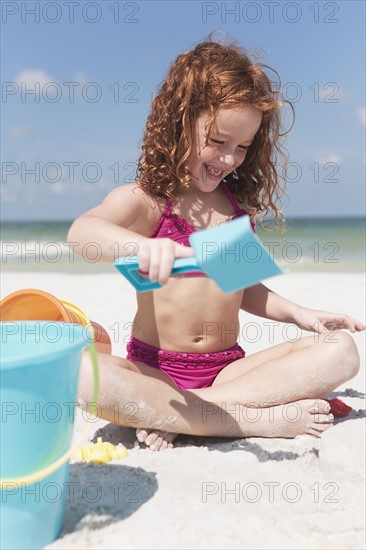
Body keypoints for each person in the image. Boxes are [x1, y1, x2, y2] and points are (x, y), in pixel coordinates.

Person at [68, 38, 364, 451]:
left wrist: (300, 313)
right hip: (155, 371)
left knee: (342, 351)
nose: (228, 159)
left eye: (242, 147)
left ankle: (188, 415)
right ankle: (251, 421)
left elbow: (245, 290)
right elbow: (82, 233)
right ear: (181, 122)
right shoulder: (151, 200)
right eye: (218, 141)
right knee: (79, 373)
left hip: (228, 372)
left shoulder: (234, 208)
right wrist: (141, 248)